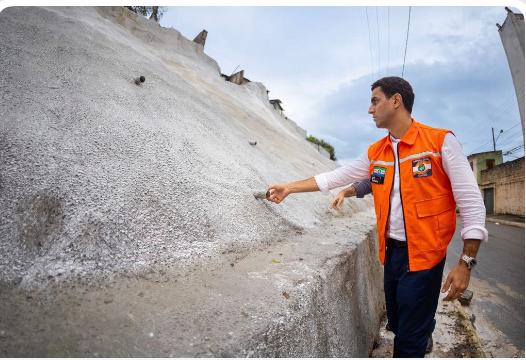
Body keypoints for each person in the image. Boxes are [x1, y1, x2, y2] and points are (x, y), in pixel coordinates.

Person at [266, 76, 487, 357]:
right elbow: (337, 176)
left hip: (426, 258)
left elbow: (471, 202)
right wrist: (290, 187)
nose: (370, 110)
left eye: (375, 101)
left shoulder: (440, 142)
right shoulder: (376, 152)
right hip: (392, 254)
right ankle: (421, 329)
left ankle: (417, 339)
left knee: (407, 341)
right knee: (396, 321)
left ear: (396, 101)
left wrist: (465, 263)